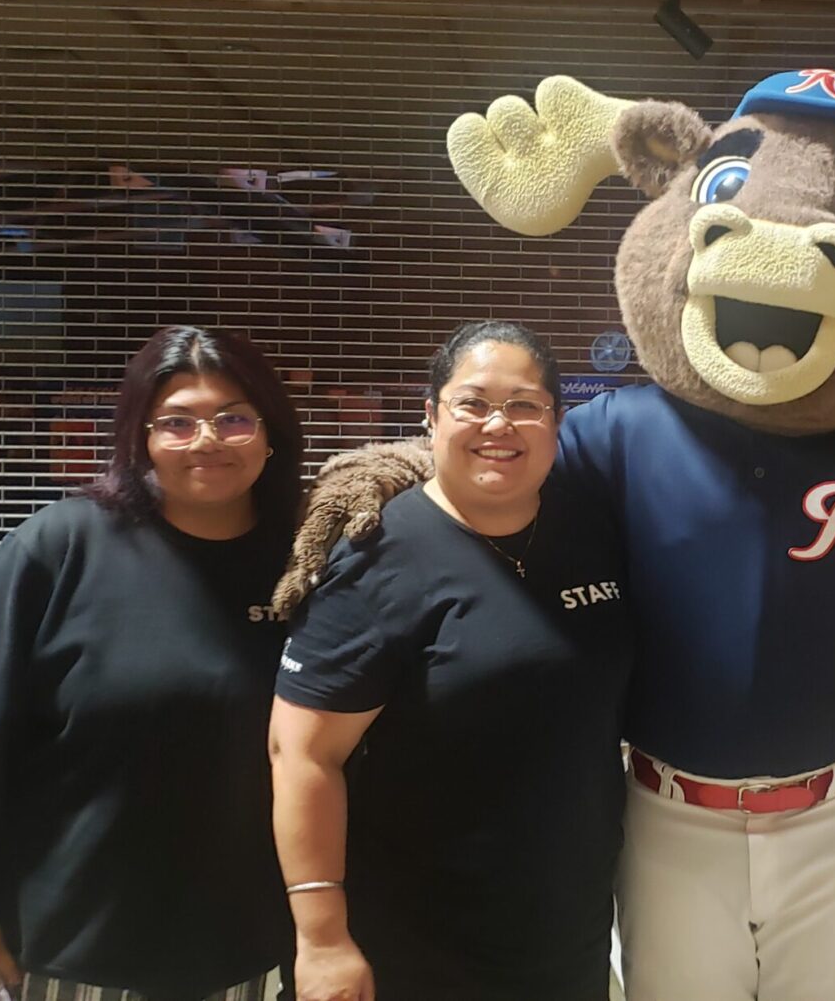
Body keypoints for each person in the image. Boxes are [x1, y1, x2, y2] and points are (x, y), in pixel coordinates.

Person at [0, 326, 304, 1001]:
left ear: (270, 432)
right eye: (177, 421)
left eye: (234, 417)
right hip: (76, 947)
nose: (207, 438)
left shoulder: (310, 563)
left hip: (256, 949)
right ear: (141, 436)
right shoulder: (58, 550)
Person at [269, 320, 633, 1000]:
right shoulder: (378, 554)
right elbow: (301, 755)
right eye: (473, 403)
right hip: (417, 938)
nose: (500, 424)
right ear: (432, 415)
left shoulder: (589, 527)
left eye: (525, 404)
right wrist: (321, 937)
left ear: (558, 421)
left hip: (565, 930)